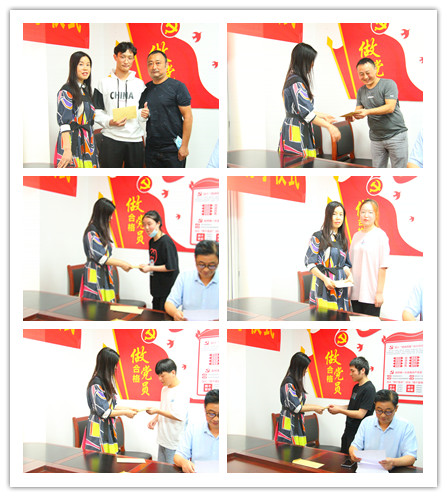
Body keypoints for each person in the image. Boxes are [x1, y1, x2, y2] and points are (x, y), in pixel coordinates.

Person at [278, 42, 341, 157]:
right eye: (311, 61)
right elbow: (306, 114)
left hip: (296, 128)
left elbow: (302, 110)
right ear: (303, 61)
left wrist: (324, 116)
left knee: (299, 164)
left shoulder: (293, 79)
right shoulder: (296, 83)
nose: (312, 64)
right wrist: (329, 127)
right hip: (296, 131)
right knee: (297, 164)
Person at [347, 57, 408, 168]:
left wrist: (367, 112)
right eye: (361, 74)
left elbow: (390, 107)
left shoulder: (388, 84)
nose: (365, 77)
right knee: (378, 171)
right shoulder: (361, 91)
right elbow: (359, 111)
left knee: (399, 172)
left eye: (368, 73)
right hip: (376, 138)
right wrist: (354, 116)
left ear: (376, 69)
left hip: (396, 135)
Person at [93, 42, 146, 167]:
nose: (126, 61)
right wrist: (110, 122)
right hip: (111, 139)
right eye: (122, 57)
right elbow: (97, 111)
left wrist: (144, 114)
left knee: (133, 177)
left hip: (135, 139)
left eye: (130, 57)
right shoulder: (103, 83)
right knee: (109, 176)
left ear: (133, 59)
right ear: (115, 57)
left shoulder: (139, 84)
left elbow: (141, 112)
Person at [139, 50, 193, 168]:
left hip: (173, 149)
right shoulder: (145, 88)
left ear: (166, 65)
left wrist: (184, 146)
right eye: (150, 63)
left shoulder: (178, 87)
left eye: (158, 63)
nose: (154, 67)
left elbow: (188, 117)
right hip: (151, 149)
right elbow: (140, 114)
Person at [84, 347, 138, 453]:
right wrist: (125, 412)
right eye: (114, 365)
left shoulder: (105, 383)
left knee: (109, 460)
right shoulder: (96, 384)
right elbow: (104, 412)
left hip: (107, 428)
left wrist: (129, 409)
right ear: (107, 365)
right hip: (98, 430)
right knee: (97, 461)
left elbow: (112, 406)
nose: (116, 368)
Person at [349, 389, 417, 471]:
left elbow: (411, 457)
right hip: (368, 469)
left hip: (394, 471)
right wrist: (353, 453)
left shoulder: (406, 426)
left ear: (396, 408)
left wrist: (393, 462)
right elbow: (355, 445)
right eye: (379, 410)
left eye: (388, 411)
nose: (383, 415)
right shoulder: (366, 422)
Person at [81, 198, 133, 302]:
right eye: (109, 215)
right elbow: (101, 258)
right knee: (94, 307)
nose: (111, 218)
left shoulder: (101, 231)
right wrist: (122, 264)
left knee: (106, 307)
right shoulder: (91, 232)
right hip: (94, 274)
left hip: (104, 274)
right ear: (102, 215)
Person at [304, 201, 353, 311]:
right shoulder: (318, 236)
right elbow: (310, 263)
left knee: (340, 317)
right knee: (323, 316)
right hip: (323, 283)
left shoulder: (343, 239)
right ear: (328, 215)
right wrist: (325, 279)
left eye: (341, 214)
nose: (338, 217)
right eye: (334, 214)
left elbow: (345, 264)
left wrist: (349, 274)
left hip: (340, 286)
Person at [56, 51, 98, 168]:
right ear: (73, 66)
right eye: (81, 64)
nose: (85, 68)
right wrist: (67, 150)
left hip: (88, 143)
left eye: (88, 64)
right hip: (72, 141)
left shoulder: (86, 91)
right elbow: (64, 123)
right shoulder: (66, 91)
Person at [349, 199, 390, 317]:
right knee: (356, 325)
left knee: (370, 326)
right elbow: (350, 265)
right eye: (363, 212)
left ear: (376, 214)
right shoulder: (356, 236)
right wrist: (349, 290)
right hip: (355, 292)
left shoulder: (380, 235)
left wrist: (379, 293)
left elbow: (383, 266)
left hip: (371, 294)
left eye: (370, 212)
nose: (366, 215)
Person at [275, 352, 326, 446]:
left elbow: (300, 404)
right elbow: (297, 408)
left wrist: (317, 407)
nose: (306, 371)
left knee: (299, 452)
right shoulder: (288, 383)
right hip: (288, 424)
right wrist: (315, 408)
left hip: (297, 423)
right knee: (288, 452)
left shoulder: (295, 382)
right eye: (305, 368)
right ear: (298, 368)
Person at [328, 357, 376, 454]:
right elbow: (352, 406)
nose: (350, 374)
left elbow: (360, 414)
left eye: (352, 371)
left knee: (354, 459)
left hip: (358, 433)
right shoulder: (356, 387)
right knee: (344, 457)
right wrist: (337, 406)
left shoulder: (369, 389)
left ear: (362, 370)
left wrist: (339, 411)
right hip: (348, 430)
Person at [146, 359, 190, 464]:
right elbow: (164, 408)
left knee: (171, 471)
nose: (160, 379)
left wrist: (157, 411)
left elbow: (178, 416)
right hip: (163, 438)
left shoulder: (182, 390)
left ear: (173, 372)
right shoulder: (164, 389)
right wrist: (156, 418)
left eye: (162, 376)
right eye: (158, 376)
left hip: (174, 441)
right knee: (161, 469)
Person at [165, 240, 219, 321]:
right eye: (201, 265)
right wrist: (175, 313)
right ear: (195, 259)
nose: (206, 270)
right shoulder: (185, 276)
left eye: (211, 265)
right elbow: (169, 303)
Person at [139, 210, 179, 311]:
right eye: (144, 225)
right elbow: (156, 261)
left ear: (158, 223)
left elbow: (171, 266)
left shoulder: (166, 242)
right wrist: (147, 266)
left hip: (167, 289)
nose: (146, 228)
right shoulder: (151, 241)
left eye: (149, 224)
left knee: (163, 316)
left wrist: (150, 268)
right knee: (155, 314)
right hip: (156, 287)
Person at [174, 389, 219, 473]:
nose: (216, 419)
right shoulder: (194, 428)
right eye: (211, 413)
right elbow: (178, 456)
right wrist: (184, 462)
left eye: (220, 414)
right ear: (205, 409)